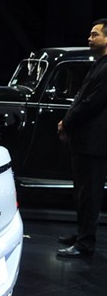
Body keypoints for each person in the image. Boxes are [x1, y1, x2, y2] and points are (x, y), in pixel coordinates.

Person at [56, 17, 107, 258]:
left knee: (90, 194)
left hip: (95, 142)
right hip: (85, 139)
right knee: (82, 192)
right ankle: (81, 234)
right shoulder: (99, 64)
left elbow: (91, 103)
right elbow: (81, 97)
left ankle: (86, 243)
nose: (89, 38)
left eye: (95, 34)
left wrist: (67, 122)